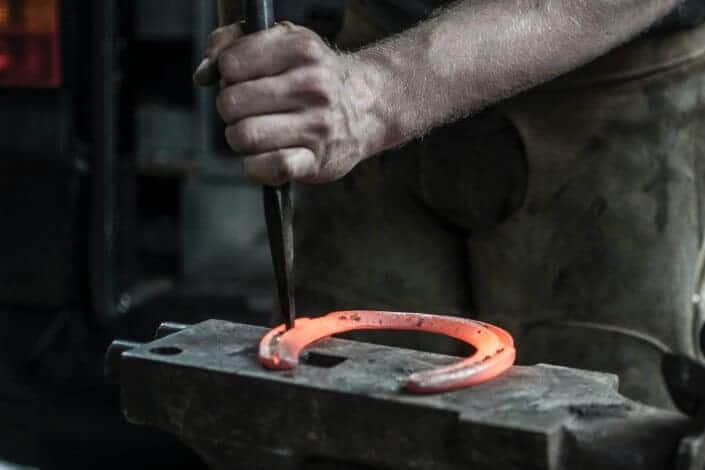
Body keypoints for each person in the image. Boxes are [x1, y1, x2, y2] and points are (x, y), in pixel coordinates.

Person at [195, 0, 705, 408]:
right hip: (367, 52)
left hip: (618, 79)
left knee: (608, 404)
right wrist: (252, 48)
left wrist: (374, 96)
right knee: (338, 415)